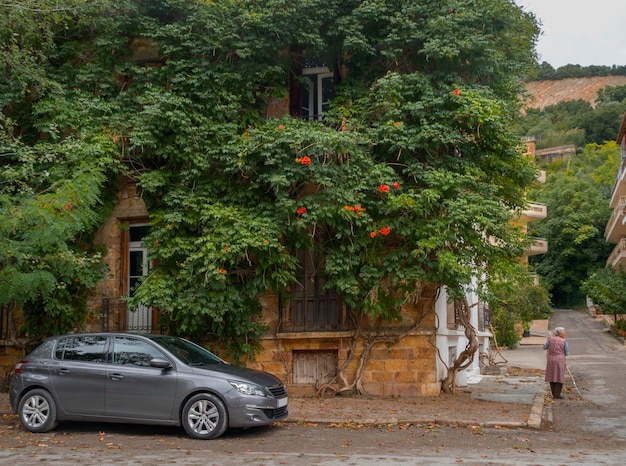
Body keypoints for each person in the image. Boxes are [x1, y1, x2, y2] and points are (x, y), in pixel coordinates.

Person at [543, 327, 570, 399]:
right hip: (560, 360)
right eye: (564, 332)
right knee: (559, 376)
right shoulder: (564, 341)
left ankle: (553, 393)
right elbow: (567, 352)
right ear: (560, 333)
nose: (565, 333)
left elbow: (544, 347)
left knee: (552, 375)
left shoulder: (550, 339)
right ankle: (557, 394)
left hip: (551, 359)